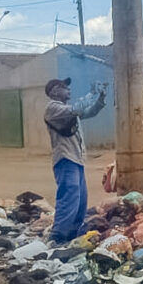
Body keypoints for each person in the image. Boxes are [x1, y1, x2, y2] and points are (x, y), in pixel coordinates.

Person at [44, 77, 106, 244]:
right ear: (54, 91)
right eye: (65, 87)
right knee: (69, 195)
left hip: (77, 159)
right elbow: (78, 109)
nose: (69, 90)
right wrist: (91, 93)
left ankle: (72, 234)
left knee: (80, 199)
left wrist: (100, 99)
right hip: (65, 158)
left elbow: (89, 112)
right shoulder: (53, 108)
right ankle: (58, 236)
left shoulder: (67, 110)